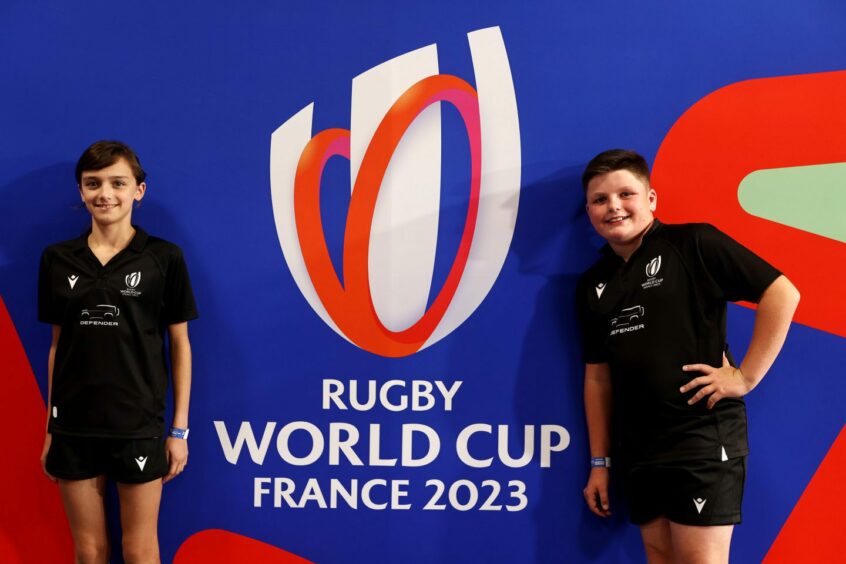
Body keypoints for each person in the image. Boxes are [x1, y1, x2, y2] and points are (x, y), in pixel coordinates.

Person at [577, 149, 799, 563]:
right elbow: (597, 377)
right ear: (589, 210)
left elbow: (782, 292)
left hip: (700, 438)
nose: (614, 207)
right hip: (640, 449)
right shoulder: (593, 284)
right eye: (600, 199)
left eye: (626, 194)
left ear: (651, 199)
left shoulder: (692, 243)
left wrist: (745, 377)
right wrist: (600, 462)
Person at [38, 141, 198, 563]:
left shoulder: (164, 258)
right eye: (93, 183)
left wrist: (178, 431)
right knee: (89, 551)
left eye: (117, 182)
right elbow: (58, 347)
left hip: (138, 426)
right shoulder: (57, 259)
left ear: (138, 191)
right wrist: (50, 429)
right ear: (81, 191)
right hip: (74, 428)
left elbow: (180, 345)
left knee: (140, 550)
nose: (105, 193)